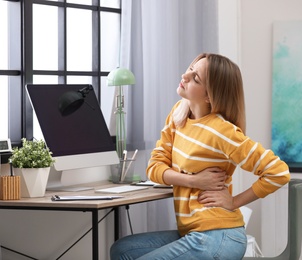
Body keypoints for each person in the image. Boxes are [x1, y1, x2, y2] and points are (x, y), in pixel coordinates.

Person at [110, 53, 290, 260]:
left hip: (220, 236)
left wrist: (233, 202)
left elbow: (278, 172)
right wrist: (192, 180)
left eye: (196, 78)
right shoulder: (179, 114)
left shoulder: (221, 131)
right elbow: (154, 168)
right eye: (190, 69)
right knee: (122, 250)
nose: (185, 76)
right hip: (192, 231)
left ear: (209, 96)